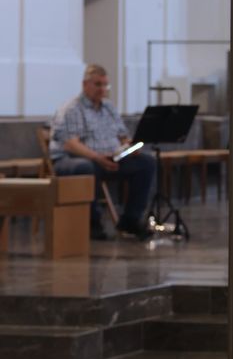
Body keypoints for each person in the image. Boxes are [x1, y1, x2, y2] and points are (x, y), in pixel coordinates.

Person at [49, 63, 156, 242]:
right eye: (97, 84)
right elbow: (71, 144)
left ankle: (130, 220)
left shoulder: (108, 107)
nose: (102, 89)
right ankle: (93, 223)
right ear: (85, 85)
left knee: (146, 163)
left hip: (110, 158)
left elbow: (123, 136)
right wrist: (98, 158)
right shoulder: (72, 109)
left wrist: (129, 148)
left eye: (105, 85)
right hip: (74, 160)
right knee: (86, 167)